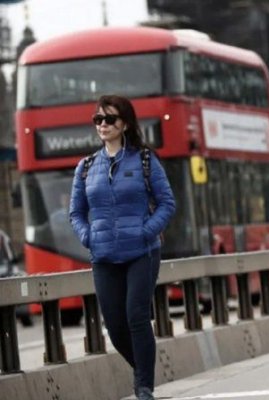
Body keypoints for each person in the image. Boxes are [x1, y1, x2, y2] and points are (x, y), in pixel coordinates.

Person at [70, 95, 175, 400]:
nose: (103, 125)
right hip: (103, 255)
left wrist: (146, 232)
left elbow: (167, 203)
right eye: (98, 120)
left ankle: (144, 387)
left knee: (136, 316)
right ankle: (143, 369)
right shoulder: (87, 167)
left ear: (124, 124)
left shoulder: (144, 159)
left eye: (110, 119)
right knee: (115, 327)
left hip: (142, 252)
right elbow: (76, 212)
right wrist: (88, 236)